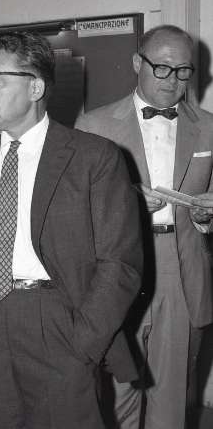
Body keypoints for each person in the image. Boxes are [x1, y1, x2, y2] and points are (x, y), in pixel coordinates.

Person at [0, 31, 143, 429]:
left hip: (56, 321)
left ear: (35, 87)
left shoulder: (93, 158)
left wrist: (83, 341)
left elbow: (119, 263)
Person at [76, 24, 213, 429]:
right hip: (117, 266)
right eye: (162, 68)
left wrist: (206, 217)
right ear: (138, 63)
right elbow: (75, 211)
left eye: (184, 71)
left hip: (181, 268)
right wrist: (126, 202)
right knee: (118, 388)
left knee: (173, 394)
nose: (173, 80)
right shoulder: (93, 125)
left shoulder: (209, 127)